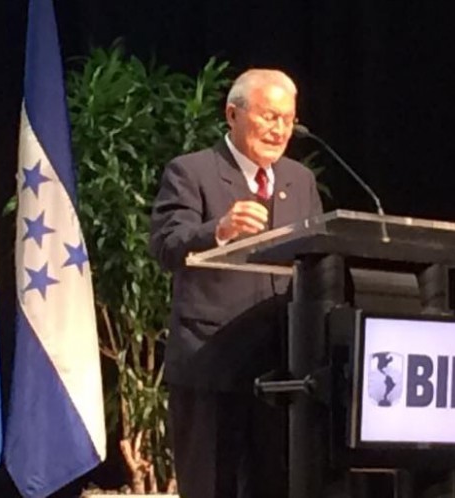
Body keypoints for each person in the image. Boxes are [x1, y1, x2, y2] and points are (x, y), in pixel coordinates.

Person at [149, 69, 324, 498]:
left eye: (288, 120)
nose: (280, 130)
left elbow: (317, 255)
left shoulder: (300, 180)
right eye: (269, 116)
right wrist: (220, 229)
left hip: (280, 371)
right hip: (212, 365)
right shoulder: (191, 171)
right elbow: (167, 245)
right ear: (233, 114)